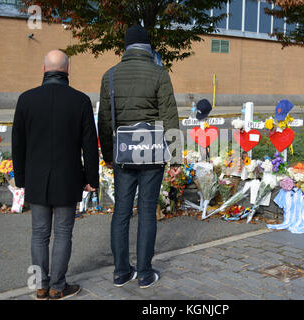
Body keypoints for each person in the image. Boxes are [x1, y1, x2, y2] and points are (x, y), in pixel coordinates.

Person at [12, 50, 99, 300]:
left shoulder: (26, 99)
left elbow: (17, 143)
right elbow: (89, 146)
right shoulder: (80, 100)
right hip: (68, 178)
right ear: (68, 71)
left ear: (43, 70)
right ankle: (58, 287)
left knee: (39, 233)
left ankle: (40, 286)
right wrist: (91, 179)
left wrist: (21, 179)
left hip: (36, 179)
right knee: (63, 233)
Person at [98, 25, 180, 289]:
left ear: (126, 47)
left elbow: (104, 121)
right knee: (146, 212)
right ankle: (145, 273)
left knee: (121, 212)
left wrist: (108, 156)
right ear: (148, 48)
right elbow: (170, 117)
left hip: (123, 155)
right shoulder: (159, 74)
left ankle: (121, 272)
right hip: (152, 154)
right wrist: (176, 158)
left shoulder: (109, 76)